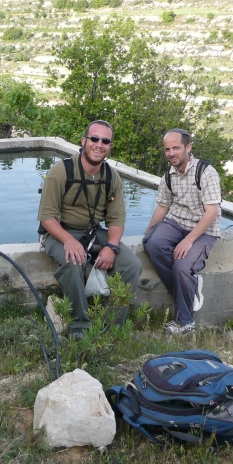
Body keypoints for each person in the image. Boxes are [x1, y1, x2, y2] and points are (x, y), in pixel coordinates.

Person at [37, 120, 142, 339]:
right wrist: (68, 240)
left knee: (132, 264)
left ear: (110, 146)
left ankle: (111, 327)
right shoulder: (61, 171)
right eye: (94, 139)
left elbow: (116, 218)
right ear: (84, 141)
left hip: (94, 234)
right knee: (73, 260)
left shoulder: (111, 177)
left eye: (105, 141)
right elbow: (47, 217)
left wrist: (112, 247)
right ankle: (80, 328)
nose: (99, 144)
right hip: (59, 232)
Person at [142, 128, 221, 335]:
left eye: (176, 148)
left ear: (188, 147)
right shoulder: (169, 175)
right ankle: (188, 289)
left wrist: (189, 241)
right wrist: (147, 233)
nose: (171, 153)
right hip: (176, 222)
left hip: (203, 228)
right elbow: (162, 206)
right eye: (167, 149)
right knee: (152, 243)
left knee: (182, 266)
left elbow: (212, 211)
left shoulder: (205, 172)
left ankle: (185, 323)